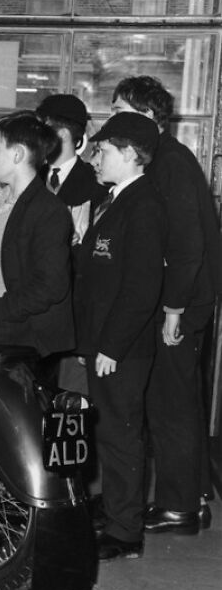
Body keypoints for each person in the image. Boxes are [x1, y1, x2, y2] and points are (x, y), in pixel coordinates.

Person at [112, 76, 222, 533]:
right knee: (176, 399)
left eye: (118, 107)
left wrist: (174, 309)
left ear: (141, 113)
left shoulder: (169, 161)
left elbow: (187, 243)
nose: (111, 116)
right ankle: (191, 493)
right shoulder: (167, 156)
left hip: (182, 300)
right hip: (180, 297)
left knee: (169, 403)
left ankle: (179, 507)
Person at [74, 112, 166, 560]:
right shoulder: (116, 199)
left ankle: (126, 531)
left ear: (130, 155)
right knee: (110, 431)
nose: (95, 158)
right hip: (105, 343)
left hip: (122, 349)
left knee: (121, 434)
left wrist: (111, 347)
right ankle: (114, 511)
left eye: (103, 150)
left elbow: (142, 288)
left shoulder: (144, 205)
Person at [0, 111, 74, 359]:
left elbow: (51, 286)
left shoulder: (47, 210)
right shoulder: (3, 201)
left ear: (18, 154)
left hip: (17, 334)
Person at [35, 94, 108, 391]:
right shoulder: (29, 177)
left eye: (40, 130)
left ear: (61, 134)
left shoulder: (97, 183)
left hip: (73, 312)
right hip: (34, 313)